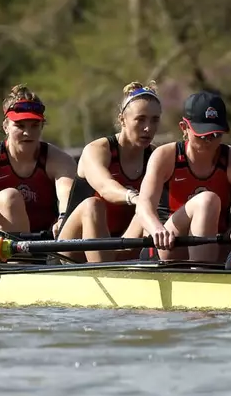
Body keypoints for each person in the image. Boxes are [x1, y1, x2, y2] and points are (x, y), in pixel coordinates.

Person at [0, 85, 92, 252]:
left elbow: (67, 196)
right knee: (10, 197)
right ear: (5, 126)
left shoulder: (59, 159)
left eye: (34, 125)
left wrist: (63, 217)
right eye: (20, 125)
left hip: (45, 241)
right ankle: (19, 264)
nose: (28, 133)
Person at [135, 91, 231, 263]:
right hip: (169, 244)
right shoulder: (165, 156)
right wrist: (156, 229)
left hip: (216, 243)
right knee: (207, 200)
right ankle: (201, 274)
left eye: (216, 135)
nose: (209, 141)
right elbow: (143, 208)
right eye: (202, 135)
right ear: (184, 128)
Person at [68, 81, 162, 261]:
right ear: (122, 120)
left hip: (122, 246)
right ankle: (106, 272)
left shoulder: (157, 156)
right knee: (93, 205)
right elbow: (105, 188)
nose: (148, 128)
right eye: (140, 119)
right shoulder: (97, 150)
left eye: (154, 120)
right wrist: (134, 197)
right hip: (73, 249)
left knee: (150, 208)